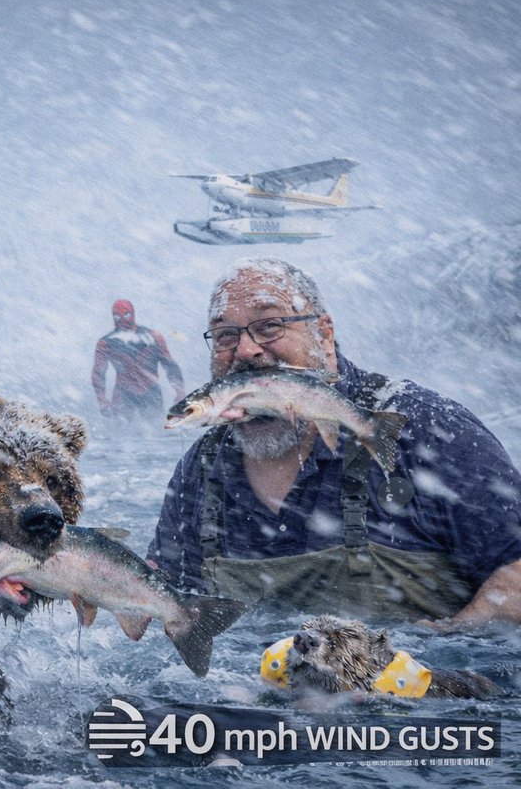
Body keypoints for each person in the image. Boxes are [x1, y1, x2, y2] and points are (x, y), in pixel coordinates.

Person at [147, 258, 521, 627]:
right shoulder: (202, 469)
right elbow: (174, 605)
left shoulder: (427, 429)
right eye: (226, 335)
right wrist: (104, 581)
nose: (245, 350)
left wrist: (448, 648)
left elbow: (515, 569)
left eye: (270, 325)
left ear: (324, 336)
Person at [91, 299, 186, 422]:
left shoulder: (153, 337)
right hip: (123, 394)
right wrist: (101, 400)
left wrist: (180, 391)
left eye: (126, 315)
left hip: (150, 391)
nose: (122, 320)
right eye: (117, 317)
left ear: (132, 313)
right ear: (113, 317)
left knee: (156, 431)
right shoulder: (106, 343)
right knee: (121, 433)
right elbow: (98, 372)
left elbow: (169, 364)